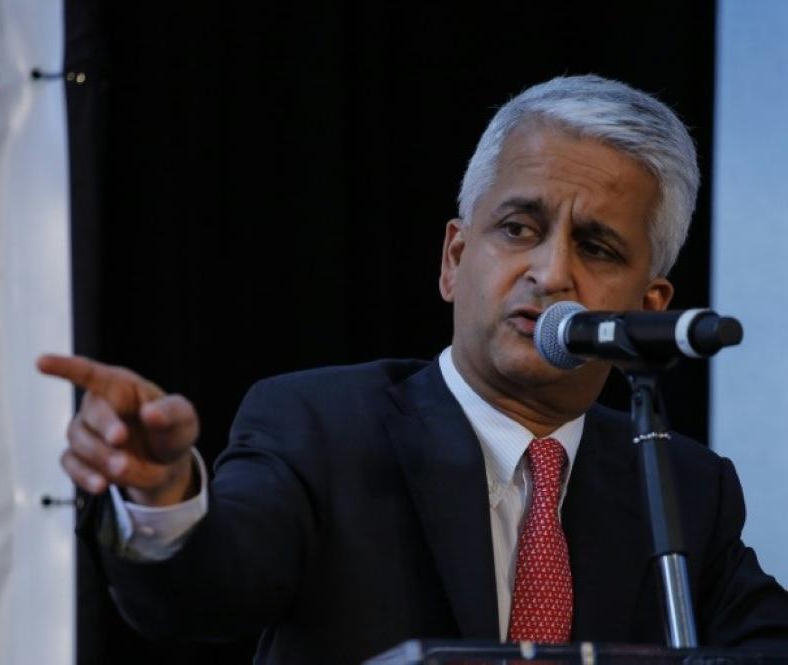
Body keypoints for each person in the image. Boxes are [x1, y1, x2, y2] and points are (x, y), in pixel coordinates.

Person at [38, 75, 788, 664]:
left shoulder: (685, 488)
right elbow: (206, 589)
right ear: (455, 259)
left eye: (597, 248)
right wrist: (161, 494)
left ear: (651, 303)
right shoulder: (320, 428)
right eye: (519, 228)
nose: (551, 271)